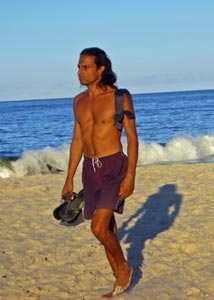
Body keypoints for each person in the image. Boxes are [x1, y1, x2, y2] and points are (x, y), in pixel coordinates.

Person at [62, 47, 138, 298]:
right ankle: (119, 283)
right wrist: (69, 179)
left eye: (85, 67)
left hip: (114, 167)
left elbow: (133, 140)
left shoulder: (120, 97)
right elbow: (77, 141)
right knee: (108, 229)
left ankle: (124, 268)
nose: (79, 72)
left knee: (98, 228)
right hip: (89, 170)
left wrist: (130, 177)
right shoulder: (78, 101)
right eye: (78, 67)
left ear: (101, 69)